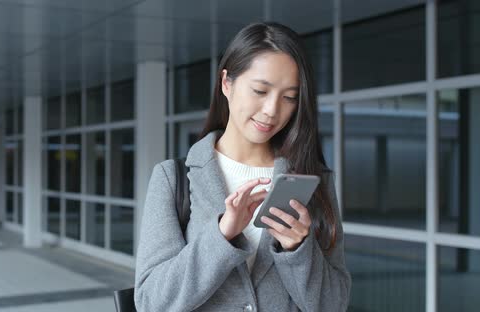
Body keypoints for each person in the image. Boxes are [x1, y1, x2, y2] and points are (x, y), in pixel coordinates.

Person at [135, 22, 351, 312]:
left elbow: (334, 305)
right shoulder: (172, 179)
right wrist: (221, 235)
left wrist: (299, 250)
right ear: (227, 83)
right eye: (260, 91)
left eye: (289, 97)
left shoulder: (314, 181)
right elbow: (150, 303)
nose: (272, 110)